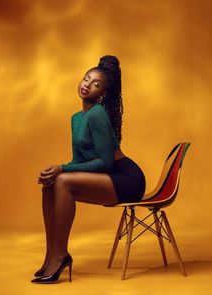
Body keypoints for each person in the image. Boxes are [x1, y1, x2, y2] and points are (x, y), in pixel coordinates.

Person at [31, 55, 146, 284]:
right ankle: (51, 255)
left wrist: (62, 168)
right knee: (52, 184)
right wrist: (58, 171)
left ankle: (61, 256)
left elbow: (105, 162)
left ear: (102, 92)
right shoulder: (76, 118)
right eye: (86, 78)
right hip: (108, 176)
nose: (87, 85)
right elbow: (80, 160)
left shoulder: (98, 113)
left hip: (126, 178)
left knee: (62, 180)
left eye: (96, 84)